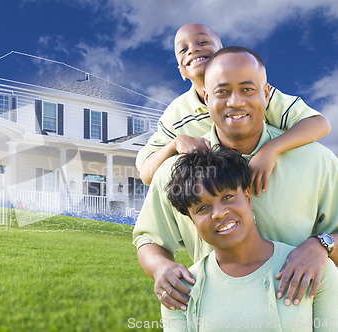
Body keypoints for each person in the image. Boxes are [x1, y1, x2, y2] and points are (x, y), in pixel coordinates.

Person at [133, 46, 338, 313]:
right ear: (206, 97)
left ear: (266, 93)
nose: (235, 102)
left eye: (247, 89)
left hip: (300, 317)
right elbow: (150, 240)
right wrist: (161, 267)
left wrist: (322, 245)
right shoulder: (176, 171)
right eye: (222, 92)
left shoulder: (316, 160)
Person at [136, 23, 331, 199]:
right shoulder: (177, 114)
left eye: (203, 42)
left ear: (223, 53)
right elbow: (146, 173)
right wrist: (175, 144)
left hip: (272, 187)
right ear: (181, 71)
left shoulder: (256, 95)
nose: (193, 49)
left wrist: (271, 149)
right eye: (183, 49)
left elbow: (319, 123)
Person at [161, 147, 338, 332]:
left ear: (247, 198)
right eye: (202, 208)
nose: (219, 213)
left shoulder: (314, 268)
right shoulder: (179, 290)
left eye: (227, 197)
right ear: (192, 221)